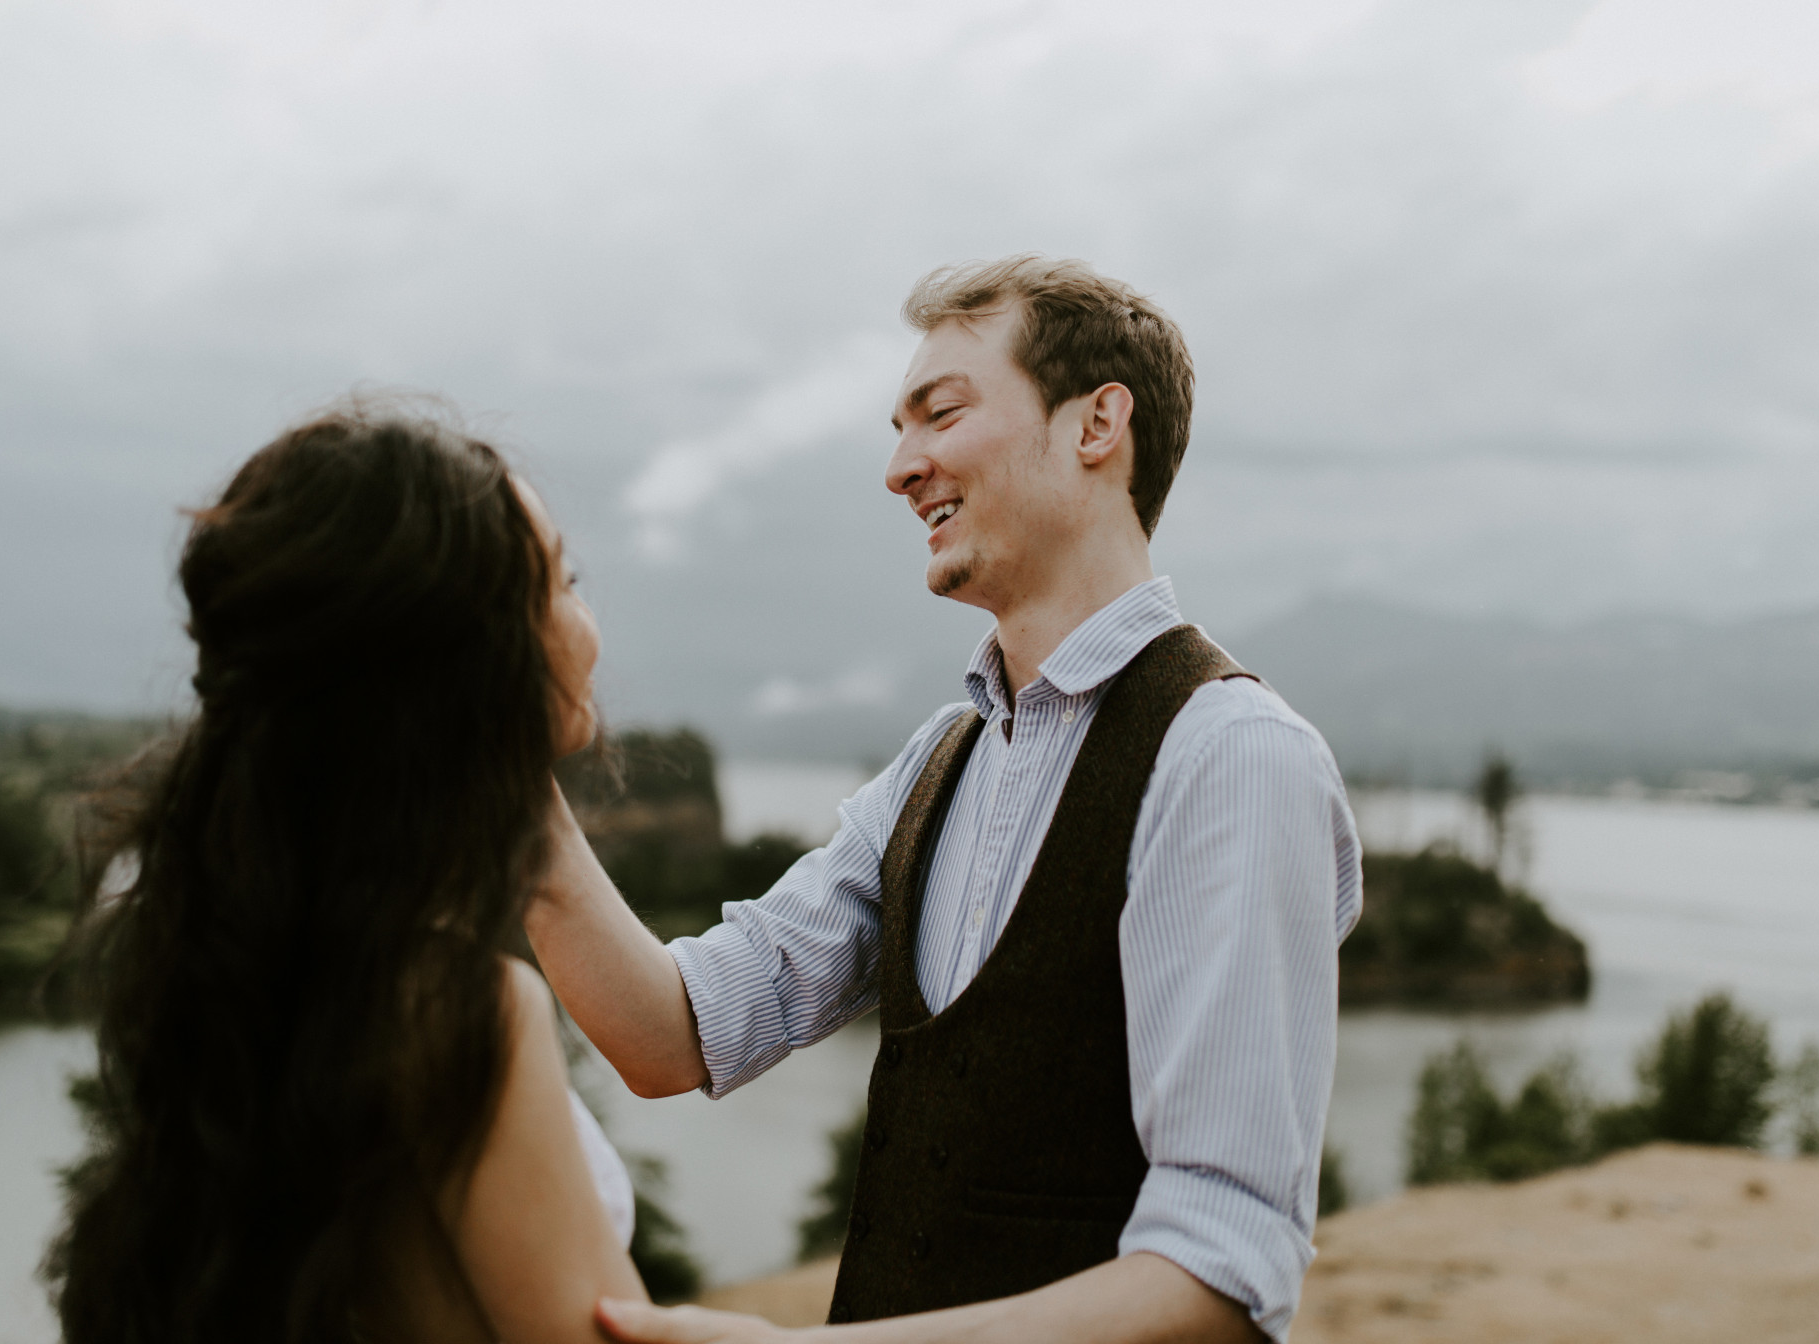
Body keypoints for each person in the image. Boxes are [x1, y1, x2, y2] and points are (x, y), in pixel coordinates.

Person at [527, 256, 1363, 1344]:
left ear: (1096, 424)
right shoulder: (944, 758)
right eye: (898, 426)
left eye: (941, 413)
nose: (899, 467)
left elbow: (1221, 1278)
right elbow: (676, 1032)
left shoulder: (1233, 758)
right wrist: (504, 788)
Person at [48, 408, 648, 1343]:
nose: (588, 622)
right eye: (566, 581)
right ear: (476, 665)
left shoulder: (242, 951)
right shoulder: (457, 1012)